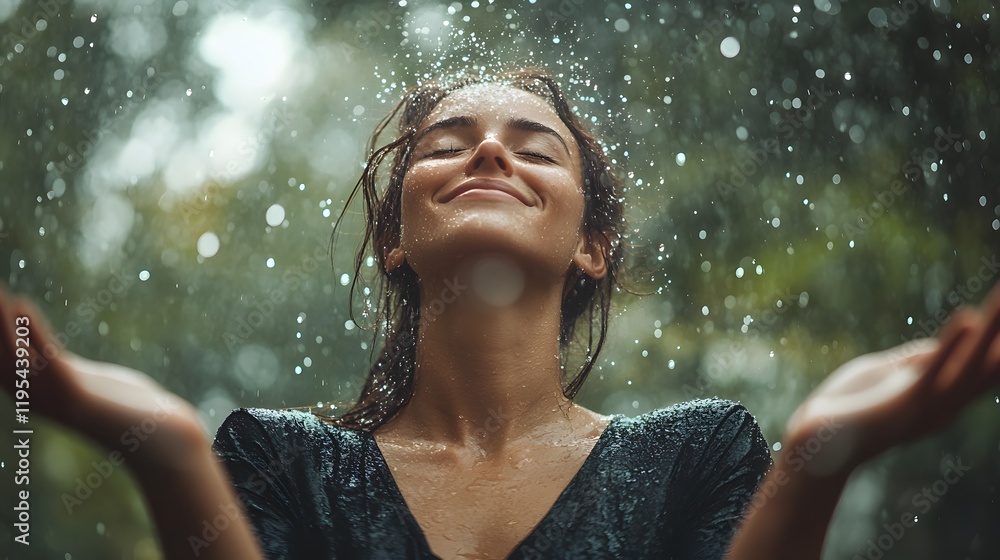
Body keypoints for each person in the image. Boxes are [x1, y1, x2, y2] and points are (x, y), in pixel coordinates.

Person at [1, 67, 997, 560]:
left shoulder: (702, 453)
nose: (488, 153)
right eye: (447, 143)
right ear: (394, 237)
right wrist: (165, 452)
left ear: (590, 245)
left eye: (535, 145)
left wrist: (815, 459)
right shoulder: (276, 457)